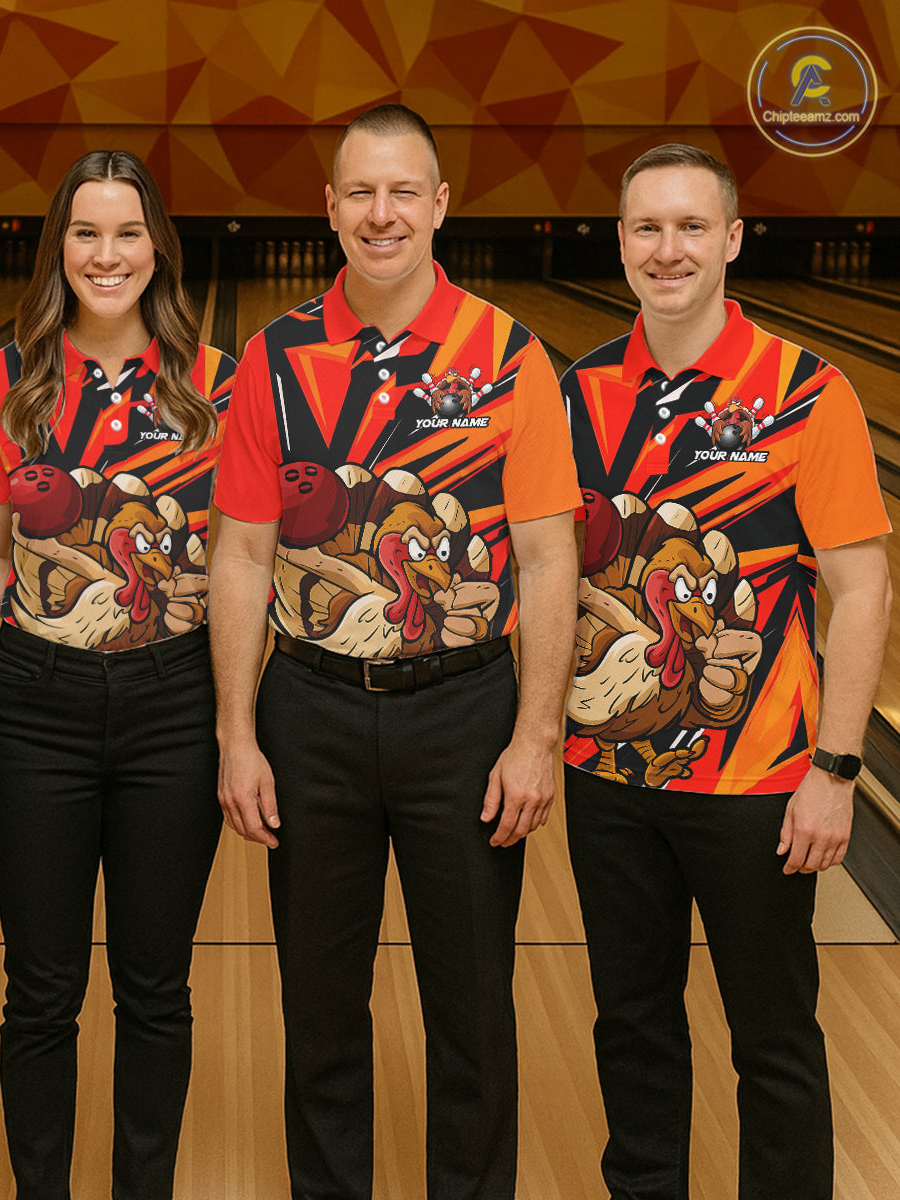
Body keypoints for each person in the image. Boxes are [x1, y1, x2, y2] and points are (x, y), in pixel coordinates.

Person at [209, 104, 581, 1199]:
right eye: (361, 194)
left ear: (440, 205)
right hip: (310, 711)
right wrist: (236, 733)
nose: (382, 214)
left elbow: (548, 559)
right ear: (329, 209)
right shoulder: (274, 358)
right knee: (320, 1010)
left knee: (473, 1012)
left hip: (465, 716)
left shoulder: (508, 355)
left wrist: (537, 737)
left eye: (403, 191)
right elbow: (242, 554)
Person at [560, 144, 893, 1200]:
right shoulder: (575, 394)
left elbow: (864, 589)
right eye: (647, 228)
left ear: (733, 239)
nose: (669, 250)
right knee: (632, 1023)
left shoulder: (807, 392)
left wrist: (835, 770)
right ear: (621, 242)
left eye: (692, 226)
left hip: (758, 786)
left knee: (773, 1035)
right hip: (607, 779)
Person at [0, 150, 234, 1200]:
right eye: (86, 233)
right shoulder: (6, 383)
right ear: (59, 248)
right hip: (36, 708)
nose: (107, 254)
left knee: (155, 990)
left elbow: (243, 561)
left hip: (177, 706)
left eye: (128, 234)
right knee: (40, 991)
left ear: (158, 248)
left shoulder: (216, 385)